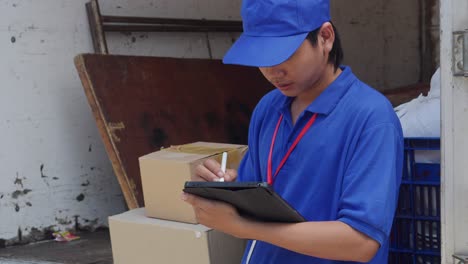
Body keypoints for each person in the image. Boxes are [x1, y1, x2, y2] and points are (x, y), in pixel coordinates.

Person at [181, 0, 403, 263]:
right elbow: (254, 193)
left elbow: (361, 242)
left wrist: (244, 227)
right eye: (261, 57)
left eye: (284, 54)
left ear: (325, 37)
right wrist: (222, 188)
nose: (273, 71)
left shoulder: (371, 117)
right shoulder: (268, 108)